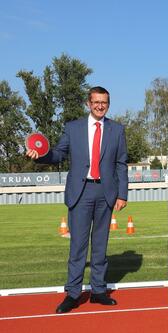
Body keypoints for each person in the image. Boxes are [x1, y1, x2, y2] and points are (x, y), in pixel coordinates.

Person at [26, 86, 128, 313]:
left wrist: (122, 194)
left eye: (104, 102)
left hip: (106, 193)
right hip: (80, 193)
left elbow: (121, 163)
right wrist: (41, 155)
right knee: (78, 247)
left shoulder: (117, 130)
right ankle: (72, 294)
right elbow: (59, 154)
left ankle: (98, 291)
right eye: (96, 102)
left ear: (108, 104)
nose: (100, 106)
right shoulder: (73, 128)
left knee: (100, 246)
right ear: (88, 104)